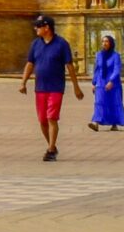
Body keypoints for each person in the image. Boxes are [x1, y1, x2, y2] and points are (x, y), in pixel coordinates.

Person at [18, 14, 82, 162]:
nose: (36, 29)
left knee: (51, 117)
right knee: (42, 120)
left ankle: (51, 149)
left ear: (47, 28)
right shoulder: (35, 44)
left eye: (38, 26)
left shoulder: (61, 44)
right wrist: (23, 82)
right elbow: (30, 64)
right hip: (40, 87)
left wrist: (76, 87)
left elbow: (70, 66)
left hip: (56, 87)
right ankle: (51, 145)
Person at [88, 32, 124, 131]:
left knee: (113, 102)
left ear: (111, 43)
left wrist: (111, 81)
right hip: (101, 81)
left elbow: (116, 69)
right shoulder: (99, 55)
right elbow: (97, 69)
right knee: (99, 101)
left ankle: (114, 123)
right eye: (103, 41)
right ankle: (96, 122)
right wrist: (94, 82)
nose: (104, 43)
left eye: (106, 41)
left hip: (113, 83)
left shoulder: (115, 56)